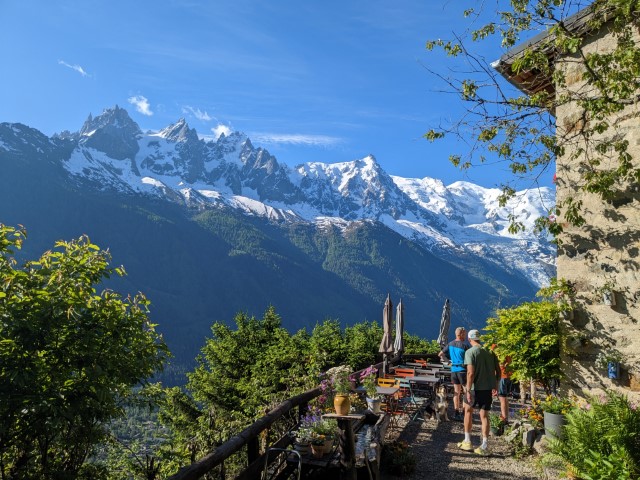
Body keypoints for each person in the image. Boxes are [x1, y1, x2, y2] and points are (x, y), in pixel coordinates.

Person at [457, 329, 500, 456]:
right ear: (479, 339)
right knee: (484, 416)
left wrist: (468, 390)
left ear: (470, 340)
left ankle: (467, 441)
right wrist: (495, 385)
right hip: (487, 389)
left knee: (468, 412)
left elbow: (470, 373)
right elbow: (498, 371)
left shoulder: (470, 352)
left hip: (474, 388)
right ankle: (484, 445)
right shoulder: (490, 352)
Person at [438, 326, 468, 420]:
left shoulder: (450, 344)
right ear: (461, 334)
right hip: (463, 370)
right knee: (466, 392)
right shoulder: (465, 345)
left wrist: (448, 362)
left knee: (456, 392)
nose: (466, 335)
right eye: (465, 333)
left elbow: (440, 354)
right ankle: (464, 413)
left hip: (454, 370)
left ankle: (456, 413)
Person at [491, 344, 513, 422]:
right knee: (505, 397)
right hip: (509, 376)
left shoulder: (495, 346)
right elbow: (510, 362)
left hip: (502, 376)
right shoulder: (507, 347)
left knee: (502, 397)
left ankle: (504, 419)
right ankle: (505, 417)